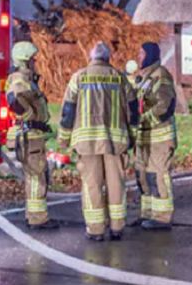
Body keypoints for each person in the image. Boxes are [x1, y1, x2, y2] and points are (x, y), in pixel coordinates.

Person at [57, 42, 138, 241]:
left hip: (87, 142)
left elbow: (68, 111)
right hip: (115, 141)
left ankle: (95, 230)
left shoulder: (79, 77)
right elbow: (133, 109)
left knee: (92, 185)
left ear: (91, 58)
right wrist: (132, 136)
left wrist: (64, 139)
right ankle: (117, 227)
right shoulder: (119, 78)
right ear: (108, 58)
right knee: (116, 184)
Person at [5, 41, 58, 230]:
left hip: (33, 134)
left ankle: (33, 215)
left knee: (34, 176)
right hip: (30, 134)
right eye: (33, 59)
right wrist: (28, 116)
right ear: (25, 61)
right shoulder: (20, 79)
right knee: (37, 176)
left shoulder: (26, 78)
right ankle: (38, 218)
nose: (36, 61)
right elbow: (13, 99)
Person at [130, 42, 178, 230]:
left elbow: (164, 106)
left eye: (142, 53)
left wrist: (142, 120)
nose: (139, 57)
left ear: (150, 55)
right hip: (145, 138)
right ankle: (147, 213)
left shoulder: (161, 75)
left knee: (159, 174)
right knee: (144, 175)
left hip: (159, 137)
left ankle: (162, 217)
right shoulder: (144, 77)